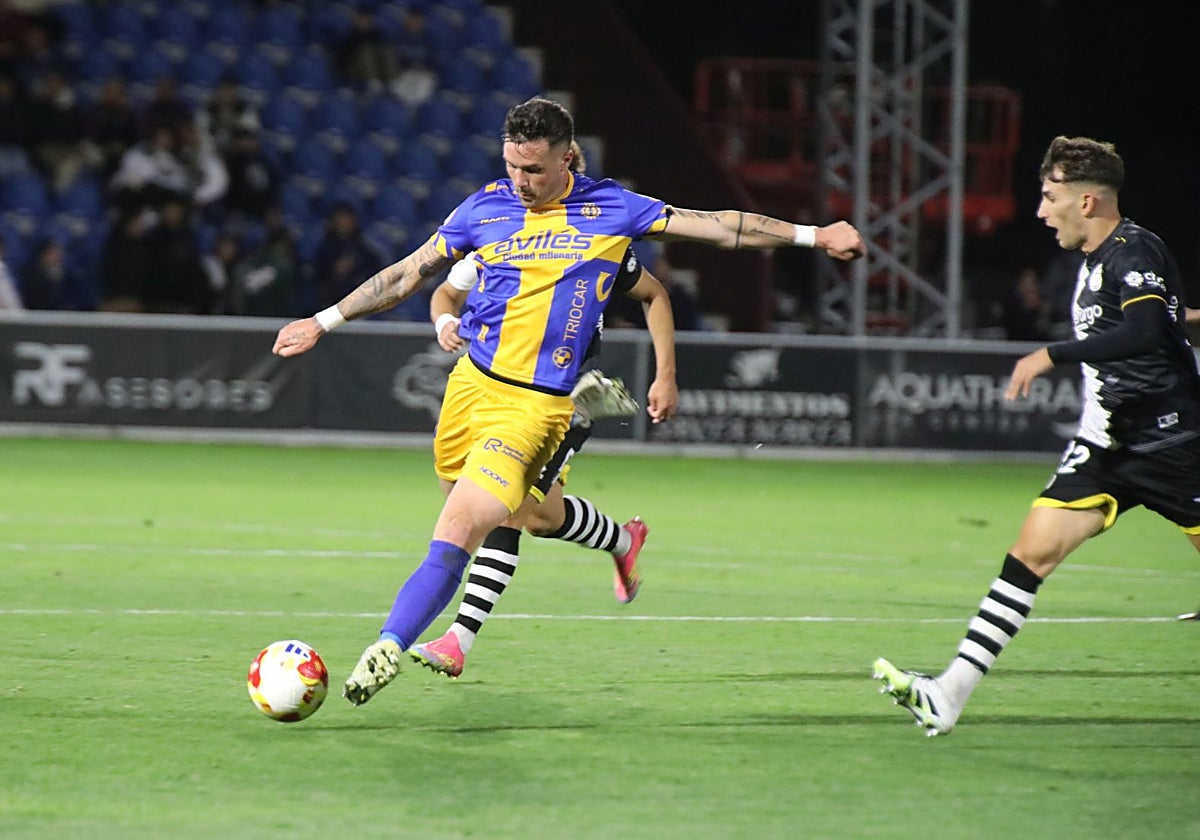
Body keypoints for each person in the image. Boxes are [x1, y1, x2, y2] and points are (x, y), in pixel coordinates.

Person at [271, 96, 864, 706]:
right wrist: (325, 319)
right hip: (468, 388)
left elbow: (718, 225)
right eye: (512, 168)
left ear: (567, 158)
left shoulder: (611, 210)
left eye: (533, 170)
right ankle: (619, 540)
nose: (520, 183)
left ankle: (391, 645)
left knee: (460, 529)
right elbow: (408, 275)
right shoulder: (483, 209)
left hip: (536, 408)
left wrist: (814, 235)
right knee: (532, 515)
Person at [874, 135, 1200, 735]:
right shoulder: (1098, 260)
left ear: (1087, 202)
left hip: (1172, 446)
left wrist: (1052, 353)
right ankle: (948, 695)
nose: (1040, 211)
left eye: (1050, 198)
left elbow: (1146, 331)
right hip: (1107, 448)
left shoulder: (1134, 251)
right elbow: (1155, 320)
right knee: (1029, 556)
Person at [408, 237, 678, 678]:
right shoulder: (501, 236)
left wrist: (665, 375)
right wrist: (443, 322)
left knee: (509, 511)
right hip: (493, 396)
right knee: (543, 517)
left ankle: (458, 639)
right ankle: (624, 541)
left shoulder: (599, 242)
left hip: (560, 402)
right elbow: (447, 292)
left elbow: (654, 293)